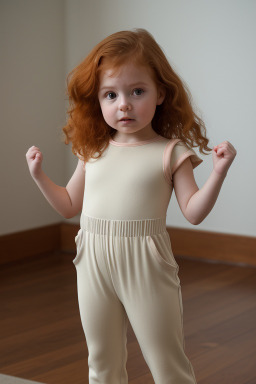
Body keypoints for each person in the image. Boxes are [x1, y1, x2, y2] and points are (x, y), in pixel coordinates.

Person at [26, 28, 237, 384]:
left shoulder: (171, 153)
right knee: (102, 362)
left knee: (167, 362)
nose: (123, 103)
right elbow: (67, 206)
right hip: (92, 259)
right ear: (98, 100)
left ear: (160, 94)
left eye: (136, 91)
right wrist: (38, 176)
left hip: (146, 264)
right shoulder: (92, 150)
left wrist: (218, 172)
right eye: (110, 94)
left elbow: (194, 212)